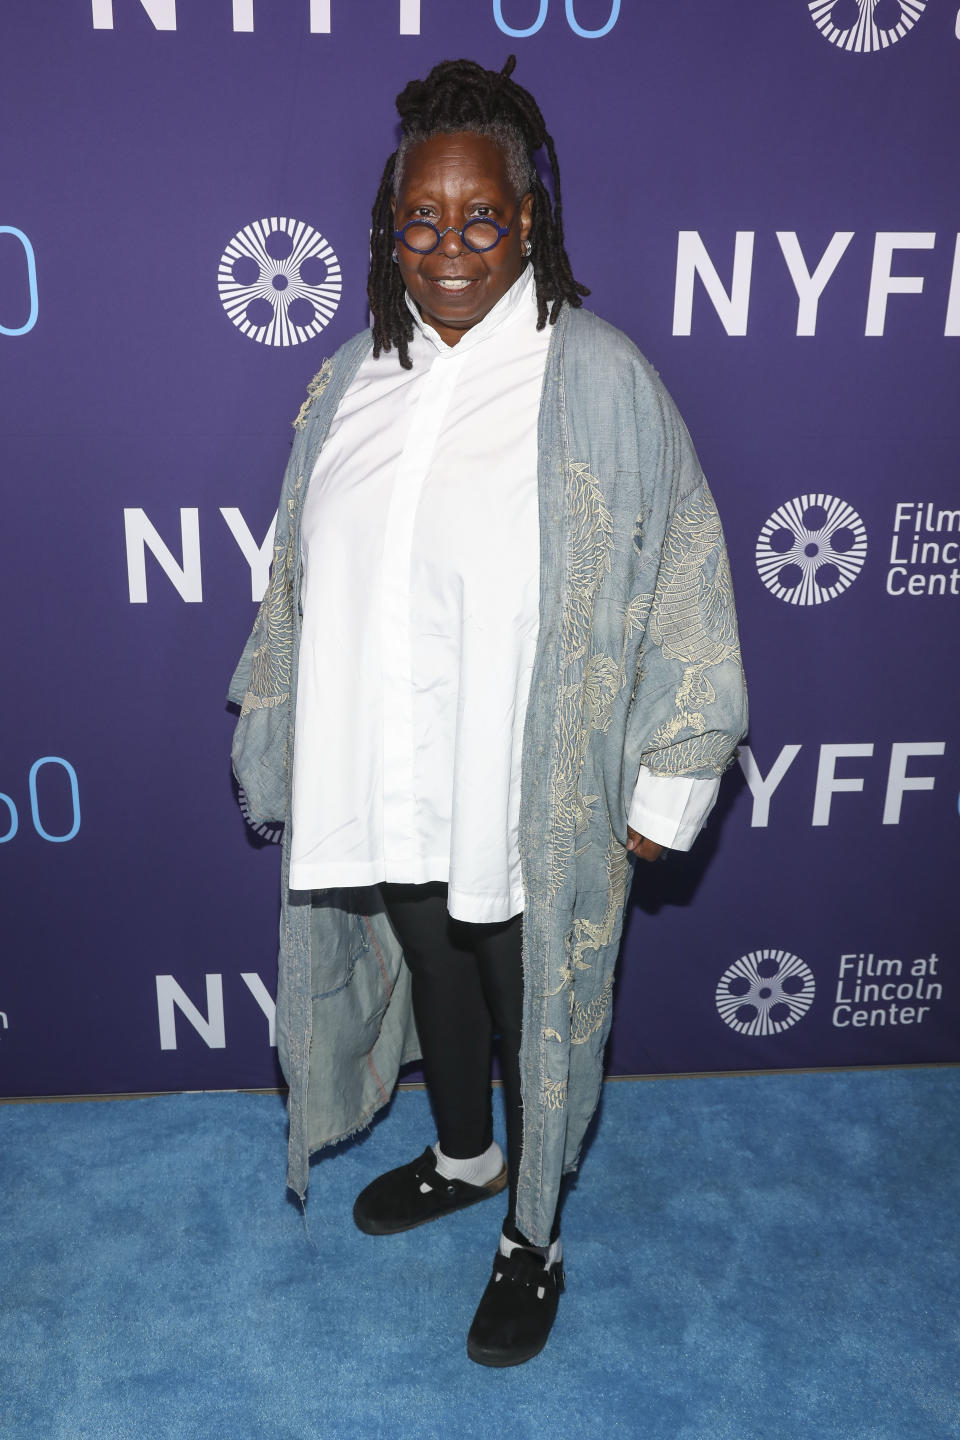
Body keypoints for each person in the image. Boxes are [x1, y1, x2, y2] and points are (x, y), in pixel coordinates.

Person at [228, 55, 747, 1367]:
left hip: (532, 789)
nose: (449, 245)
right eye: (422, 218)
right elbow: (293, 568)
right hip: (395, 766)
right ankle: (463, 1158)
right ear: (385, 227)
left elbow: (686, 566)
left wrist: (670, 779)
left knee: (533, 1009)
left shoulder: (599, 378)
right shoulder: (351, 378)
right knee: (439, 980)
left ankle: (534, 1236)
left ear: (531, 223)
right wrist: (278, 715)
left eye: (482, 219)